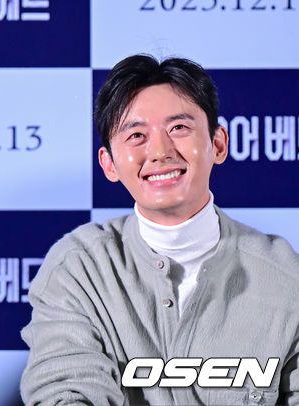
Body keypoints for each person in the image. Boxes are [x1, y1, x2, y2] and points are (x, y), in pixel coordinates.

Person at [20, 55, 299, 405]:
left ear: (218, 144)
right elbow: (64, 393)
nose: (160, 151)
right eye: (136, 135)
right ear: (109, 164)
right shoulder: (78, 270)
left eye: (179, 128)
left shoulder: (287, 278)